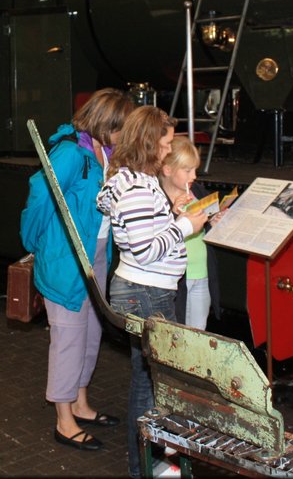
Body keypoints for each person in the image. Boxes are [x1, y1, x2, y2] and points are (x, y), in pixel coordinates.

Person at [20, 88, 135, 452]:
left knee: (90, 333)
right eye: (121, 128)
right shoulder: (71, 152)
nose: (125, 135)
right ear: (104, 124)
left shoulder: (106, 152)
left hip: (95, 255)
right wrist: (36, 243)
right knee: (68, 338)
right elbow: (40, 196)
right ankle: (63, 419)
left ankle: (80, 403)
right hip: (66, 257)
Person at [96, 106, 208, 478]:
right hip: (148, 293)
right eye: (165, 143)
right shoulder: (137, 188)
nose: (168, 149)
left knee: (148, 381)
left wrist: (169, 214)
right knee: (151, 385)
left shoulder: (131, 180)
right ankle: (145, 467)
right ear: (148, 143)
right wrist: (184, 226)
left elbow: (140, 233)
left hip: (144, 291)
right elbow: (145, 250)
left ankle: (148, 463)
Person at [158, 135, 224, 330]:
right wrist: (173, 214)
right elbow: (156, 238)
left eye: (195, 169)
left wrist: (215, 221)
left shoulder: (197, 192)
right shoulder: (157, 197)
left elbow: (206, 225)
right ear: (167, 170)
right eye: (187, 171)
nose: (193, 176)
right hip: (177, 279)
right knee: (177, 330)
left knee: (198, 330)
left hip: (202, 273)